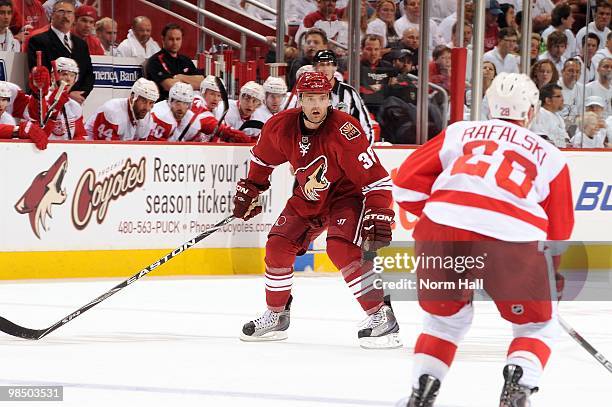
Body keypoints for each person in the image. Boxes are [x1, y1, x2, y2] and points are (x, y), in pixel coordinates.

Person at [392, 72, 574, 406]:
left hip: (442, 228)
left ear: (489, 104)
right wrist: (553, 280)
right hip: (513, 237)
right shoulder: (550, 155)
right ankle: (518, 387)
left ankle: (421, 391)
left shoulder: (460, 132)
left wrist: (439, 212)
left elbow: (404, 184)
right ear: (531, 111)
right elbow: (558, 233)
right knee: (536, 326)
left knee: (444, 323)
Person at [234, 71, 400, 348]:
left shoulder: (346, 130)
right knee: (278, 245)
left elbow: (376, 179)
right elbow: (262, 160)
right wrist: (251, 188)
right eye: (310, 98)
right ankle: (276, 315)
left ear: (329, 99)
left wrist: (378, 210)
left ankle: (381, 316)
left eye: (321, 98)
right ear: (300, 99)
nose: (316, 105)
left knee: (341, 248)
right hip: (308, 196)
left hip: (345, 197)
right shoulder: (280, 126)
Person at [27, 0, 94, 104]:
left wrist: (81, 94)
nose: (65, 16)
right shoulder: (38, 40)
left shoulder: (81, 44)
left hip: (75, 103)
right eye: (61, 11)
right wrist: (67, 94)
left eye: (69, 12)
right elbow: (40, 75)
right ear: (52, 15)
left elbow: (88, 74)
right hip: (47, 102)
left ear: (74, 18)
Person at [313, 49, 375, 142]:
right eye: (321, 65)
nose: (325, 69)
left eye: (329, 64)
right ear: (315, 68)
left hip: (343, 150)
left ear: (335, 67)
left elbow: (366, 127)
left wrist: (361, 152)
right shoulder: (307, 94)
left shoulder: (349, 92)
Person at [85, 78, 158, 141]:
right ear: (132, 96)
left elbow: (142, 149)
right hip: (87, 149)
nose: (147, 108)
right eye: (144, 101)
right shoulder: (113, 111)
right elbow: (106, 149)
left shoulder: (147, 117)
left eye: (151, 103)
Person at [145, 23, 204, 101]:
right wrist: (191, 81)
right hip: (164, 104)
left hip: (187, 105)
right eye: (171, 39)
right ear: (163, 39)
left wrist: (181, 77)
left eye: (178, 39)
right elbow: (170, 85)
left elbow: (201, 82)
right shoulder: (155, 61)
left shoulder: (185, 60)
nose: (175, 42)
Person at [191, 76, 251, 143]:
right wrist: (228, 132)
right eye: (212, 94)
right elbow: (206, 121)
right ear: (203, 92)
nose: (215, 99)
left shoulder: (218, 110)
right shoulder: (196, 101)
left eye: (219, 95)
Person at [43, 57, 86, 140]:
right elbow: (37, 133)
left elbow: (79, 135)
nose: (68, 79)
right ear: (52, 77)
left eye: (72, 75)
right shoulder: (41, 100)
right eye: (64, 74)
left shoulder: (75, 106)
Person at [530, 82, 569, 147]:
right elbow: (540, 137)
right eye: (558, 96)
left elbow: (566, 138)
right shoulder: (539, 114)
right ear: (548, 100)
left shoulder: (558, 116)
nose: (563, 99)